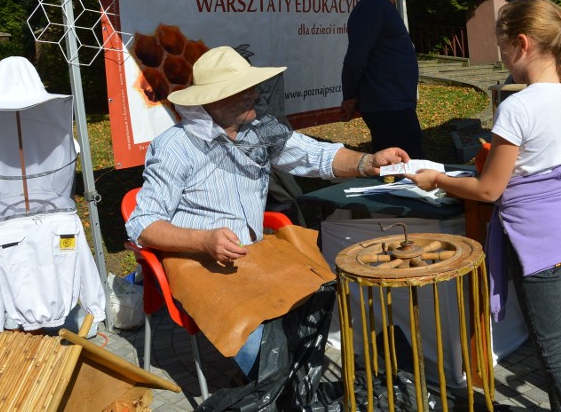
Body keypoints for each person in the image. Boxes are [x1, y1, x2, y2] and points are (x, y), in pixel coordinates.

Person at [125, 46, 409, 408]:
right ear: (215, 99)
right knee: (271, 363)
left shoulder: (257, 131)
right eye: (244, 90)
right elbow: (143, 224)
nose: (254, 94)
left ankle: (293, 390)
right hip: (201, 267)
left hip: (255, 257)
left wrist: (368, 162)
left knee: (316, 304)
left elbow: (315, 155)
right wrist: (203, 240)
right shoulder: (176, 146)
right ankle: (281, 390)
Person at [406, 0, 561, 411]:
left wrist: (437, 178)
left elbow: (489, 190)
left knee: (558, 357)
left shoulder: (517, 107)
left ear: (523, 44)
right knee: (558, 351)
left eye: (502, 47)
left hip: (539, 243)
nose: (502, 57)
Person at [340, 0, 424, 158]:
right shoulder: (373, 7)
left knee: (406, 170)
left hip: (396, 107)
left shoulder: (384, 6)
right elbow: (355, 60)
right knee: (404, 172)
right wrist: (350, 97)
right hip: (389, 109)